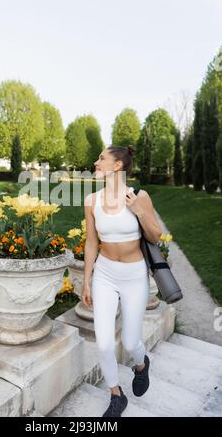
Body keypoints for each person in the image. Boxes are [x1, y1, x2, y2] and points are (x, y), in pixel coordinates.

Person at [82, 145, 162, 417]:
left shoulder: (139, 196)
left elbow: (155, 236)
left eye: (101, 158)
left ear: (117, 166)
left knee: (130, 343)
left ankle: (141, 365)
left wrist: (139, 211)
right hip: (104, 274)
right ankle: (116, 394)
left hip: (134, 275)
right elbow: (91, 242)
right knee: (103, 343)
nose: (96, 162)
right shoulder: (92, 200)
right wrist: (86, 280)